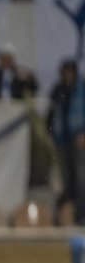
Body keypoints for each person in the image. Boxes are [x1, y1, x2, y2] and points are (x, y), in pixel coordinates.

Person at [47, 60, 85, 226]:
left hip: (79, 139)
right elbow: (51, 113)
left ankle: (81, 214)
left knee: (81, 178)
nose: (67, 75)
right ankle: (65, 216)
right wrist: (50, 133)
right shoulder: (58, 90)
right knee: (63, 180)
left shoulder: (82, 90)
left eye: (70, 72)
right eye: (65, 72)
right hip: (61, 140)